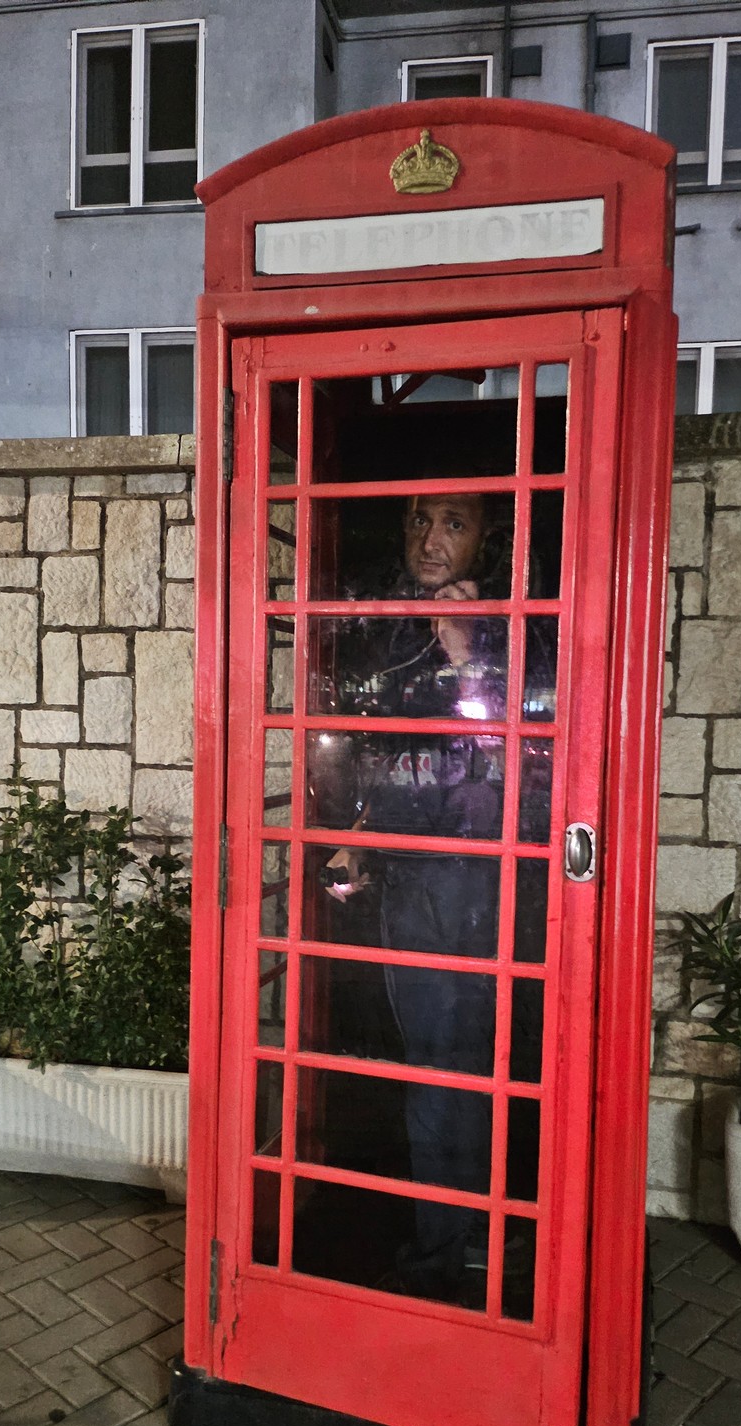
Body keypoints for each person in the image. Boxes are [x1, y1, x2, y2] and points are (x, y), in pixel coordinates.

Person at [323, 491, 504, 1298]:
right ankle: (449, 1236)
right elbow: (392, 754)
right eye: (419, 520)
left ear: (483, 540)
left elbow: (513, 753)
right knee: (435, 1068)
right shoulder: (400, 631)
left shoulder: (505, 629)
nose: (430, 540)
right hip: (408, 873)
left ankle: (446, 1255)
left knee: (451, 1070)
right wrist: (360, 830)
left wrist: (467, 653)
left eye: (454, 524)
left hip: (480, 876)